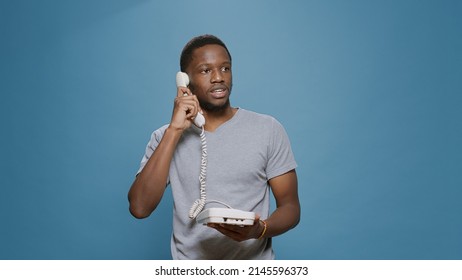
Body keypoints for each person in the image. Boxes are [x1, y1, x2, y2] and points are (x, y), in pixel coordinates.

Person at [128, 34, 300, 259]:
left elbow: (291, 208)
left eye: (225, 68)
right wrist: (175, 131)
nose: (218, 77)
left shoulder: (268, 129)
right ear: (185, 81)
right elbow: (140, 208)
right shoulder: (164, 137)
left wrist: (260, 230)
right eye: (205, 70)